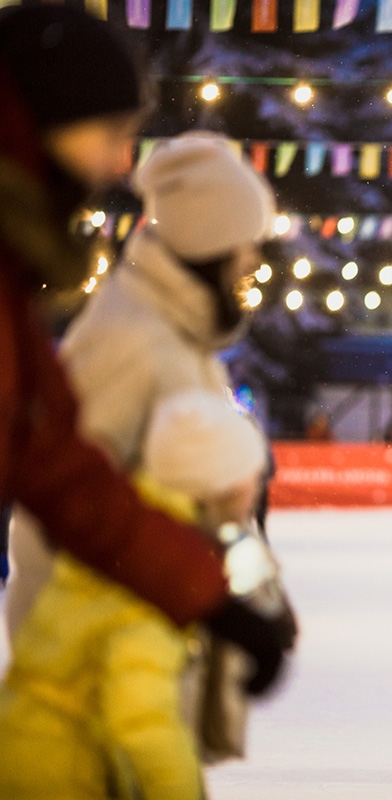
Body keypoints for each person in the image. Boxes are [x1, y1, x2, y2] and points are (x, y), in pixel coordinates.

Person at [0, 4, 291, 693]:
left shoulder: (19, 279)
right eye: (108, 132)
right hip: (95, 664)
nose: (114, 162)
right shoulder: (128, 337)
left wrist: (213, 597)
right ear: (47, 113)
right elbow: (58, 513)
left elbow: (66, 474)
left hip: (134, 651)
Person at [6, 131, 278, 637]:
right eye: (248, 243)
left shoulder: (181, 336)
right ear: (210, 244)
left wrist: (248, 596)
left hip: (161, 650)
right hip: (110, 674)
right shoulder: (129, 341)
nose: (255, 262)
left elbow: (194, 510)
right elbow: (63, 514)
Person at [0, 391, 276, 798]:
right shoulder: (151, 579)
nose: (257, 494)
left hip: (48, 753)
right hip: (56, 772)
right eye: (254, 478)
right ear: (223, 487)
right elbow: (142, 720)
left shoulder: (146, 539)